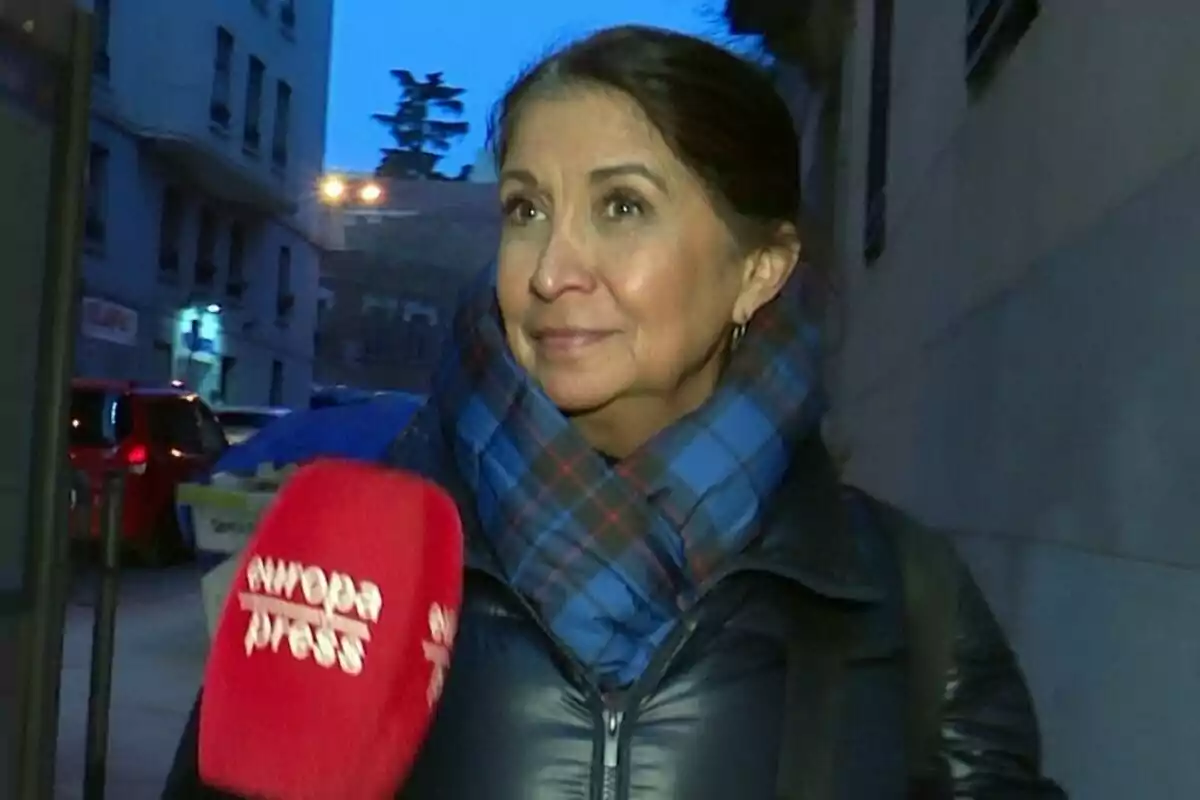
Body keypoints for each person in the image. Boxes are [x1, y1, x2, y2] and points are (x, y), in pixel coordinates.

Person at [164, 25, 1066, 799]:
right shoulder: (346, 566)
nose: (553, 270)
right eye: (525, 209)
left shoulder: (901, 598)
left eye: (622, 206)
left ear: (758, 269)